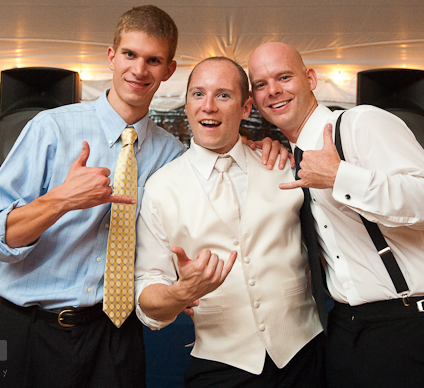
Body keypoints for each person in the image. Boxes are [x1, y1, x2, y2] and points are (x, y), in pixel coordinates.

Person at [0, 6, 286, 388]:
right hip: (31, 330)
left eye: (153, 60)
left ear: (169, 70)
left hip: (115, 336)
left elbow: (220, 154)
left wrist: (261, 146)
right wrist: (62, 200)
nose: (139, 70)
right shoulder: (51, 129)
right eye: (130, 55)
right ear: (111, 56)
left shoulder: (171, 154)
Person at [247, 42, 424, 388]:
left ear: (310, 79)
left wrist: (342, 177)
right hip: (346, 331)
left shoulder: (362, 123)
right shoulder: (287, 161)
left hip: (412, 328)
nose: (274, 91)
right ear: (252, 99)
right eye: (261, 84)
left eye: (284, 77)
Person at [134, 57, 324, 388]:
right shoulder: (159, 187)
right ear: (186, 104)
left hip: (305, 356)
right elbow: (147, 292)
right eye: (198, 94)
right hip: (219, 367)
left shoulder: (283, 165)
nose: (208, 107)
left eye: (223, 95)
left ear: (246, 106)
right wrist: (178, 293)